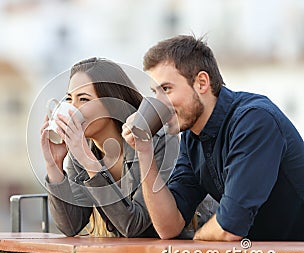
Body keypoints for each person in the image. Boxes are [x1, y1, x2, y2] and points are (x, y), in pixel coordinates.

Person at [122, 35, 304, 241]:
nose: (159, 103)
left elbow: (229, 227)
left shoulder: (255, 121)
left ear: (201, 83)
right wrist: (144, 150)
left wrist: (197, 241)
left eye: (166, 89)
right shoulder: (192, 137)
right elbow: (169, 227)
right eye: (155, 92)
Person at [40, 57, 215, 238]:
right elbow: (71, 225)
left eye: (84, 99)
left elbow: (135, 226)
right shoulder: (82, 151)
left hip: (195, 247)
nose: (72, 108)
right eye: (69, 99)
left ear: (112, 102)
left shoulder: (155, 140)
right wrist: (54, 165)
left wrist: (88, 161)